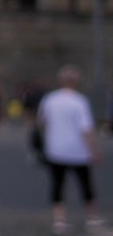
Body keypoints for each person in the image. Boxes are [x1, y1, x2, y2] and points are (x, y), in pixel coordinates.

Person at [38, 65, 103, 235]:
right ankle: (92, 218)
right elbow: (86, 129)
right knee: (85, 184)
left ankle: (59, 220)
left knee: (58, 185)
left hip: (56, 149)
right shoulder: (80, 101)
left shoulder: (50, 99)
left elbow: (42, 123)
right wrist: (94, 149)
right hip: (78, 150)